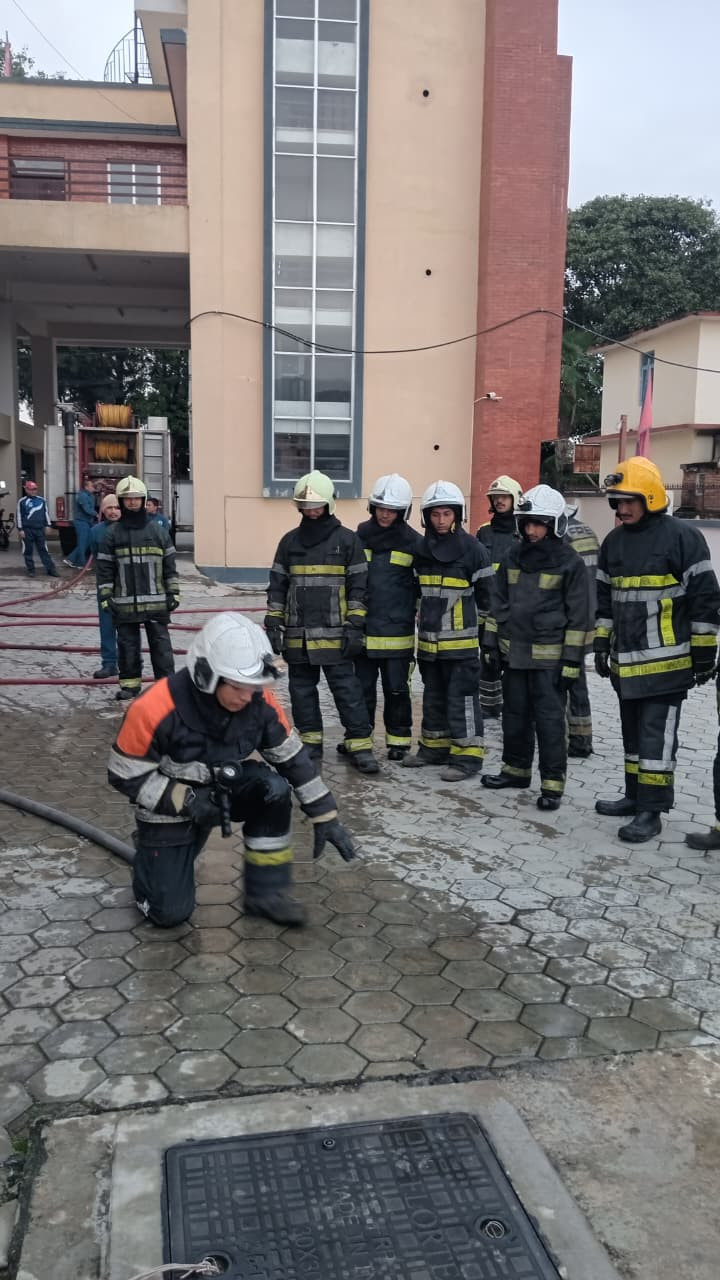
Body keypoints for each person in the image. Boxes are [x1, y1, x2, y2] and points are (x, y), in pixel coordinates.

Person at [108, 612, 357, 927]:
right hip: (168, 806)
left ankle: (266, 894)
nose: (248, 696)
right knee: (168, 914)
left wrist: (325, 814)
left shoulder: (258, 701)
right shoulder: (154, 707)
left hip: (223, 790)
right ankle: (151, 862)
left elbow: (292, 758)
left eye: (254, 686)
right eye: (239, 686)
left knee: (274, 790)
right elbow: (124, 773)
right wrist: (186, 800)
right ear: (206, 675)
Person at [594, 458, 720, 842]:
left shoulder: (682, 537)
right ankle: (634, 797)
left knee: (655, 742)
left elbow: (705, 600)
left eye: (628, 501)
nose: (621, 508)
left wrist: (704, 655)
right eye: (617, 501)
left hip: (666, 666)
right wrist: (600, 642)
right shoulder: (613, 542)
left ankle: (652, 812)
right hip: (626, 665)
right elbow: (604, 600)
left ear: (649, 497)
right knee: (633, 740)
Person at [481, 484, 590, 810]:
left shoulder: (570, 562)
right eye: (527, 523)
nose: (531, 530)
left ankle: (552, 784)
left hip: (549, 662)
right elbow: (498, 600)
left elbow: (580, 615)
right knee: (514, 717)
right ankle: (515, 771)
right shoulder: (513, 556)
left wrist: (572, 661)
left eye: (538, 524)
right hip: (514, 656)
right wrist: (490, 642)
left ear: (555, 524)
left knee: (549, 723)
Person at [265, 469, 379, 775]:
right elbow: (277, 585)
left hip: (337, 635)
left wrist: (355, 625)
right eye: (305, 506)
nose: (311, 512)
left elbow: (359, 588)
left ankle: (360, 745)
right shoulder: (289, 542)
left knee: (348, 692)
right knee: (302, 692)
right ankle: (311, 744)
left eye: (316, 506)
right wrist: (273, 622)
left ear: (329, 504)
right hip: (298, 636)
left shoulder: (347, 541)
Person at [402, 480, 493, 782]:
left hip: (461, 647)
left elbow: (489, 600)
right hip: (429, 644)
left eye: (446, 514)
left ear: (457, 515)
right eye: (435, 514)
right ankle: (433, 749)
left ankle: (467, 758)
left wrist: (488, 641)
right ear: (426, 517)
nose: (441, 520)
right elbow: (416, 593)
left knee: (462, 700)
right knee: (433, 697)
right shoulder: (420, 550)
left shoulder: (474, 550)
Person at [355, 474, 423, 761]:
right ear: (373, 507)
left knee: (396, 690)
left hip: (398, 634)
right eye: (381, 508)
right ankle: (359, 741)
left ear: (403, 511)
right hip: (363, 631)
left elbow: (422, 588)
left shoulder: (414, 543)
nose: (385, 514)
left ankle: (399, 742)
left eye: (392, 509)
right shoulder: (359, 536)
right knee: (362, 691)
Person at [96, 475, 179, 701]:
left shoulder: (158, 532)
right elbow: (104, 570)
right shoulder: (112, 534)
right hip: (124, 604)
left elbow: (170, 566)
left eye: (136, 498)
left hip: (156, 603)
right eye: (128, 498)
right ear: (121, 501)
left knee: (161, 647)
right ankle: (130, 686)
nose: (132, 502)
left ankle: (165, 687)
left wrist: (173, 592)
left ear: (143, 500)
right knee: (127, 646)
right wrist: (106, 596)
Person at [476, 475, 522, 718]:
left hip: (513, 609)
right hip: (486, 608)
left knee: (511, 659)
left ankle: (512, 705)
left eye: (504, 496)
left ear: (515, 499)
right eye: (496, 497)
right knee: (487, 659)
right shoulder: (483, 532)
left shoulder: (523, 531)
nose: (500, 501)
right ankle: (489, 707)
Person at [563, 500, 600, 757]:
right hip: (590, 615)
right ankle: (582, 737)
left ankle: (576, 740)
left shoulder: (562, 536)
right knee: (577, 679)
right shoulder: (587, 532)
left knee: (568, 678)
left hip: (570, 619)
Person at [89, 493, 121, 679]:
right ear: (103, 510)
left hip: (127, 586)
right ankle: (109, 664)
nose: (113, 511)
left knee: (128, 628)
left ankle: (132, 663)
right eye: (109, 508)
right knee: (107, 626)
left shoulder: (129, 529)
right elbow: (94, 554)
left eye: (117, 507)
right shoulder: (95, 532)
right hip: (105, 585)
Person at [15, 480, 57, 577]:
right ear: (26, 490)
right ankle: (31, 570)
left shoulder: (41, 500)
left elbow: (46, 513)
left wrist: (48, 525)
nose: (33, 491)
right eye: (31, 489)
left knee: (43, 550)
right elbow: (19, 516)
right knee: (28, 551)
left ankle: (51, 569)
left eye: (35, 489)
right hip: (27, 530)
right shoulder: (22, 502)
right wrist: (20, 529)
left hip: (39, 529)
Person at [64, 476, 97, 568]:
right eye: (92, 486)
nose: (93, 488)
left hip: (88, 522)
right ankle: (81, 564)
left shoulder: (91, 496)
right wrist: (96, 514)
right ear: (86, 487)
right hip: (81, 522)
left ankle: (70, 559)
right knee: (82, 543)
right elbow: (86, 509)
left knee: (86, 542)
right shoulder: (82, 496)